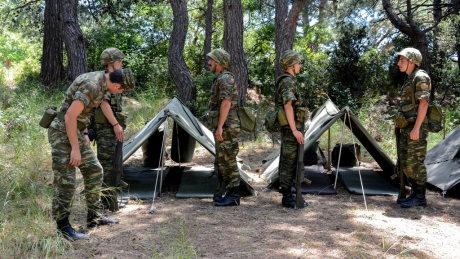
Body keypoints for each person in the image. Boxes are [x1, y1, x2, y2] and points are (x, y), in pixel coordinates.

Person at [48, 68, 135, 240]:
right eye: (122, 90)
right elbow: (70, 116)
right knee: (66, 181)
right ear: (117, 85)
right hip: (62, 133)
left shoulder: (102, 81)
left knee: (95, 170)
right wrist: (75, 148)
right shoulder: (92, 85)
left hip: (76, 132)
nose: (120, 92)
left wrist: (85, 133)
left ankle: (94, 216)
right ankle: (63, 228)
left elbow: (85, 111)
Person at [394, 47, 430, 208]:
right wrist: (399, 124)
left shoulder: (420, 77)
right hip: (406, 127)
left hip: (416, 128)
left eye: (402, 60)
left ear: (412, 62)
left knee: (415, 162)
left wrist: (416, 128)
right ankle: (413, 194)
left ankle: (420, 198)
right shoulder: (409, 79)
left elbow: (423, 104)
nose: (398, 63)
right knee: (406, 162)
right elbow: (407, 105)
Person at [95, 47, 129, 211]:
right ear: (110, 63)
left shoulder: (114, 78)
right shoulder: (105, 81)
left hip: (112, 130)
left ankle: (110, 201)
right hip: (106, 131)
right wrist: (116, 125)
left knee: (115, 165)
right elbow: (104, 103)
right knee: (108, 167)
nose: (121, 64)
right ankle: (105, 202)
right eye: (119, 61)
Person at [207, 48, 241, 206]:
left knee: (228, 159)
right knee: (222, 159)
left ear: (219, 63)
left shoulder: (225, 79)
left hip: (227, 125)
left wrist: (220, 126)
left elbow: (226, 103)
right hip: (225, 124)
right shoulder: (220, 78)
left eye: (212, 60)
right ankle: (227, 192)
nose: (209, 63)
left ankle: (234, 195)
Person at [277, 50, 309, 208]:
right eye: (298, 63)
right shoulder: (288, 81)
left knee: (290, 160)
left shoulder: (288, 80)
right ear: (291, 65)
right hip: (291, 129)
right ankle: (288, 197)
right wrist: (295, 130)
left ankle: (289, 195)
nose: (300, 65)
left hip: (291, 127)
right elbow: (288, 105)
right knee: (289, 162)